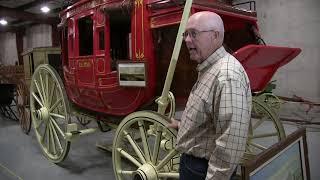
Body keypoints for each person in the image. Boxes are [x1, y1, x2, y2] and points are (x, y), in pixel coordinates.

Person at [168, 11, 252, 180]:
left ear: (215, 35)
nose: (187, 40)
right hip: (195, 165)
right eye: (185, 34)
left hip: (202, 170)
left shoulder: (226, 75)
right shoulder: (211, 68)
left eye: (193, 34)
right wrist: (183, 125)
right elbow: (210, 115)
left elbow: (231, 143)